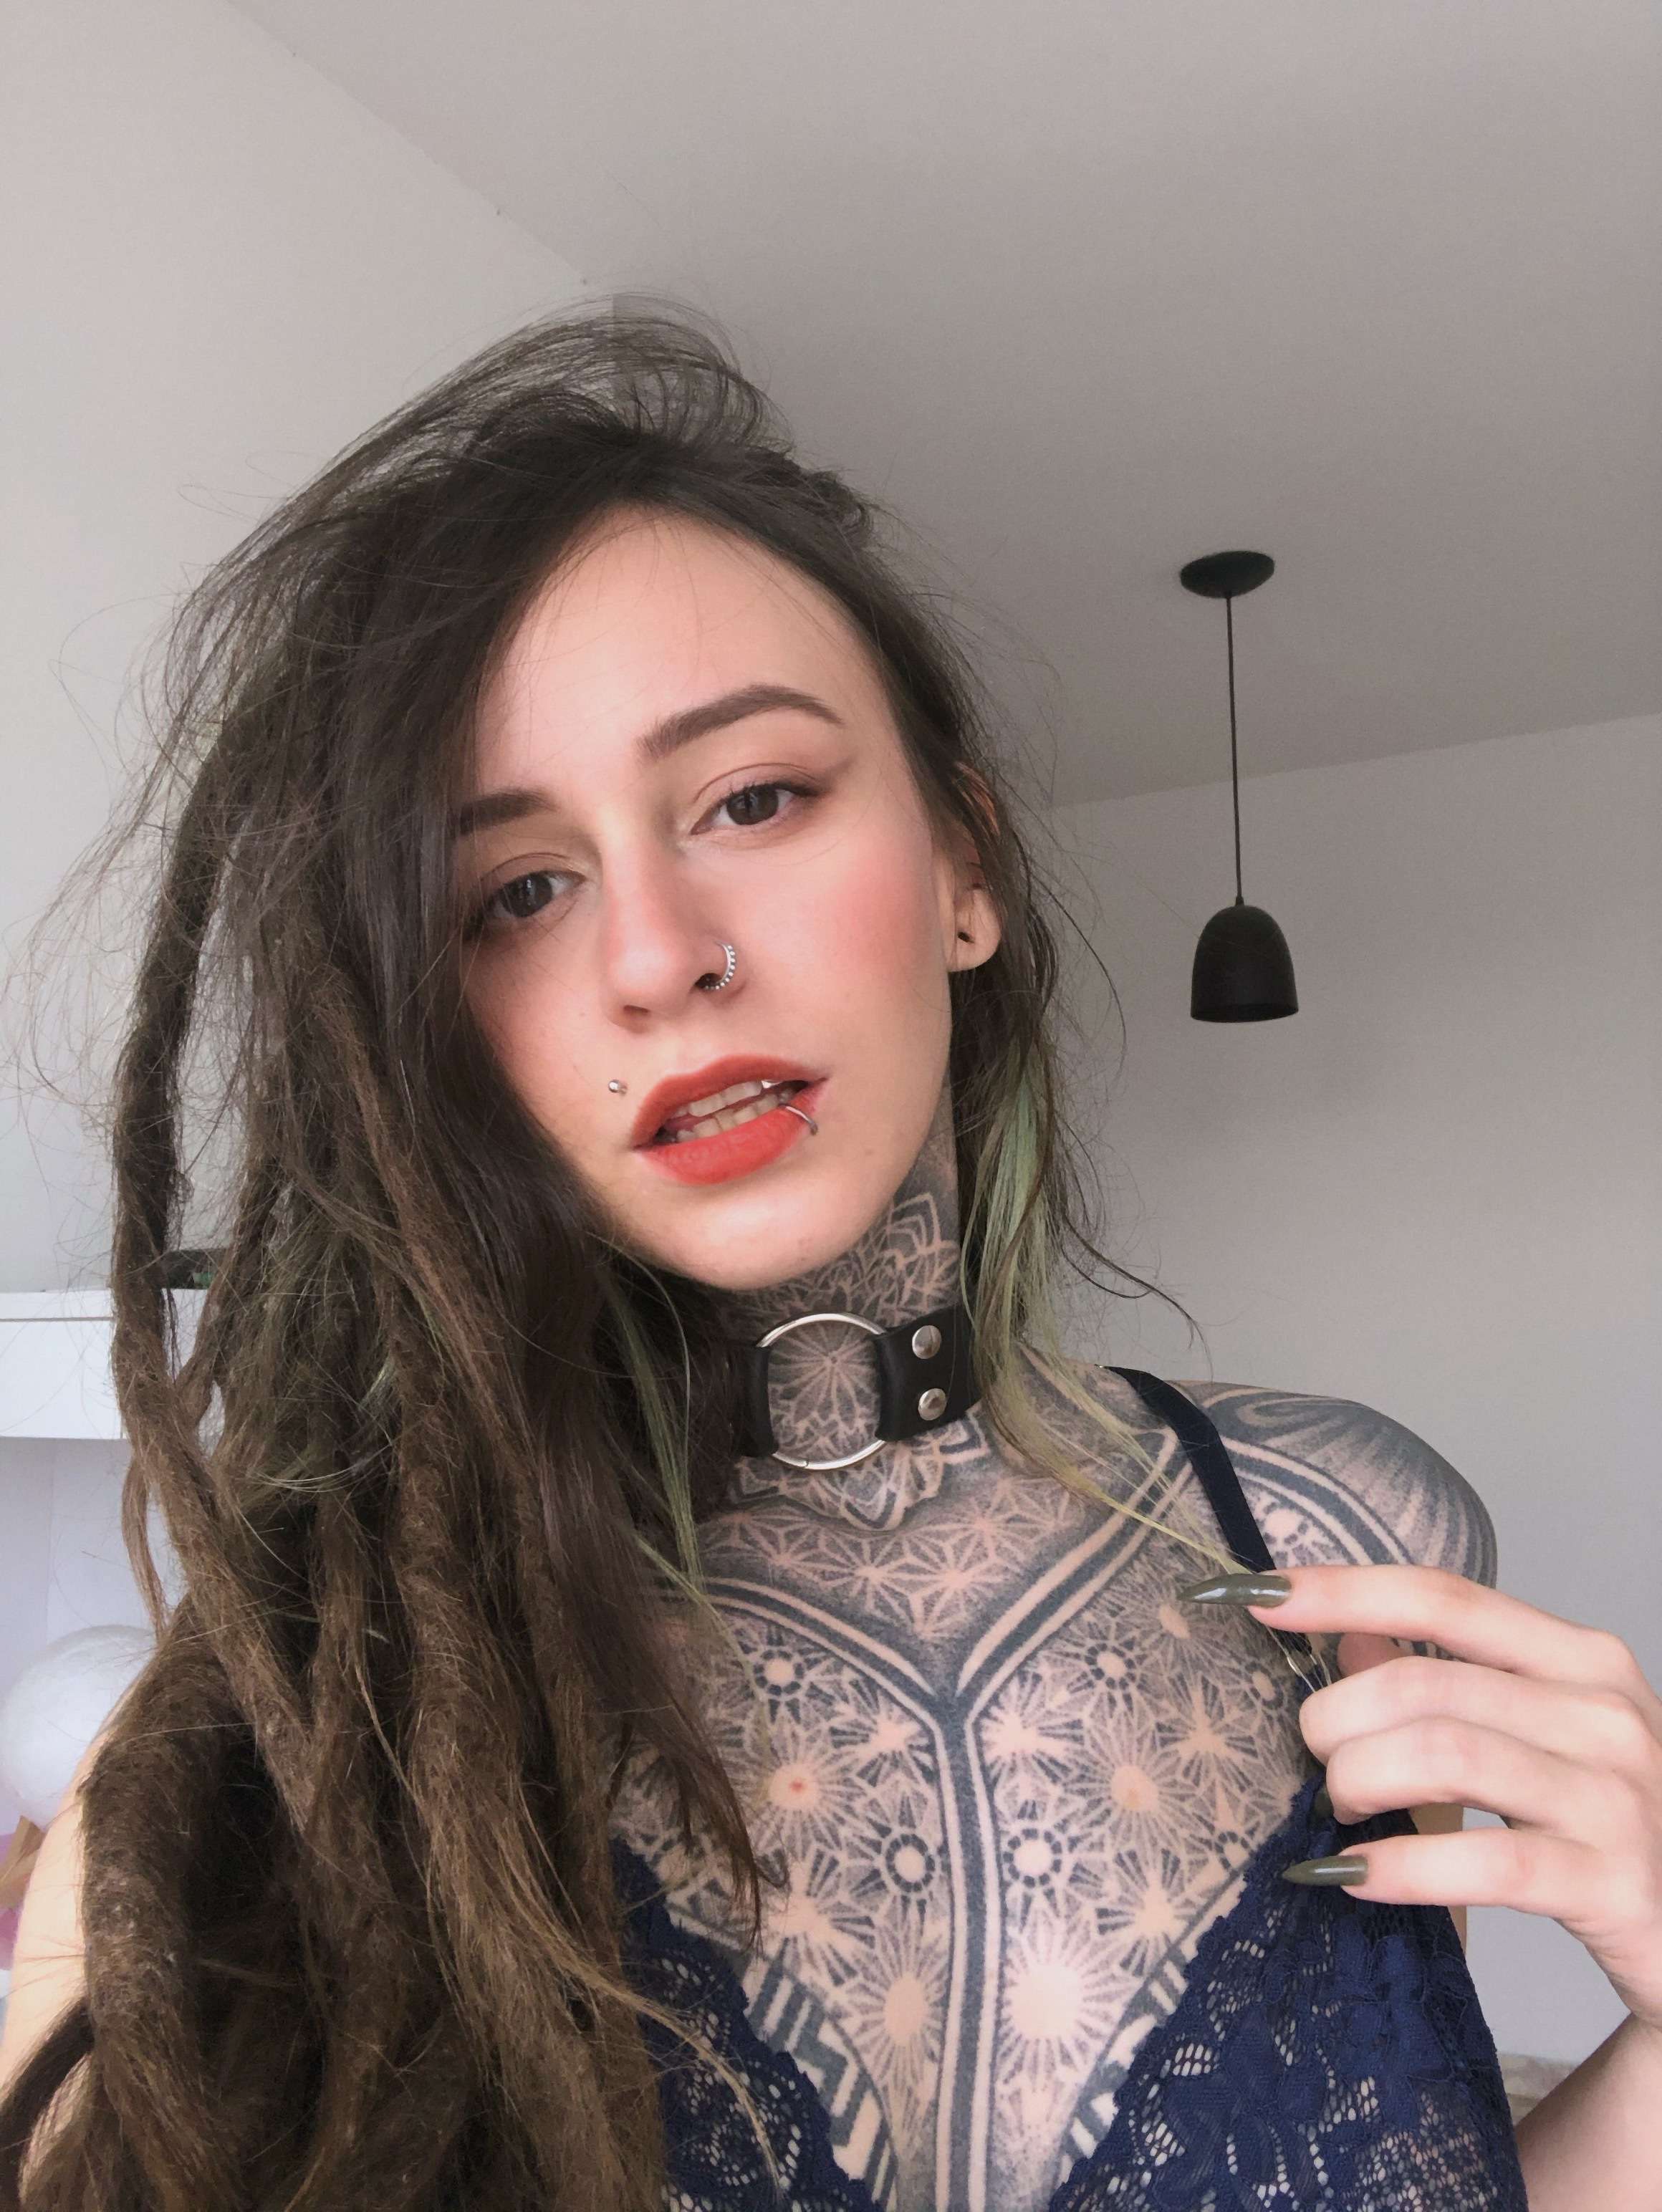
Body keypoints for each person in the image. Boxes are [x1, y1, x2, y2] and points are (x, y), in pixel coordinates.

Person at [1, 303, 1658, 2212]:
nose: (658, 954)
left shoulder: (1341, 1534)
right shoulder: (265, 1744)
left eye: (754, 800)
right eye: (517, 891)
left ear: (965, 868)